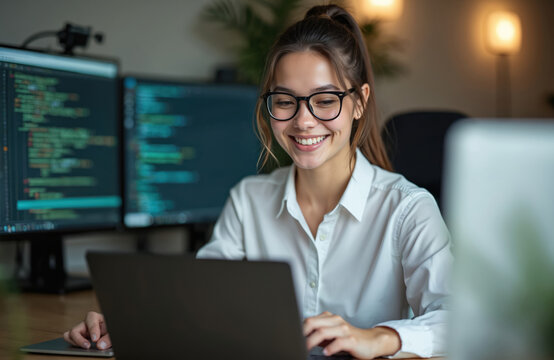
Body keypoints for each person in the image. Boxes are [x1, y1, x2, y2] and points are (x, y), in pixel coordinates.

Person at [64, 4, 452, 359]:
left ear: (359, 102)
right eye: (285, 101)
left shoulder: (407, 209)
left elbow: (457, 322)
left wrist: (377, 338)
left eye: (325, 99)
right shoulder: (249, 200)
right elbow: (196, 299)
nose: (303, 120)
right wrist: (127, 322)